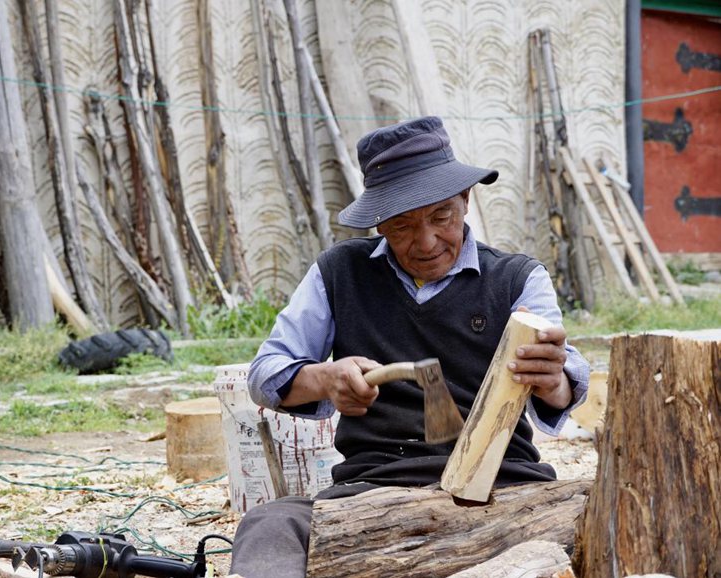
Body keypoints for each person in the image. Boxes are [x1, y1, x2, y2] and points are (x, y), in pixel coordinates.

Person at [228, 116, 590, 578]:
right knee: (270, 525)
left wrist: (553, 379)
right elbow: (264, 375)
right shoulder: (340, 273)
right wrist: (326, 378)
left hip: (503, 485)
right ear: (379, 224)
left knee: (597, 512)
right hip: (372, 490)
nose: (426, 242)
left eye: (442, 217)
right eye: (401, 225)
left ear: (465, 199)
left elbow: (566, 383)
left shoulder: (516, 279)